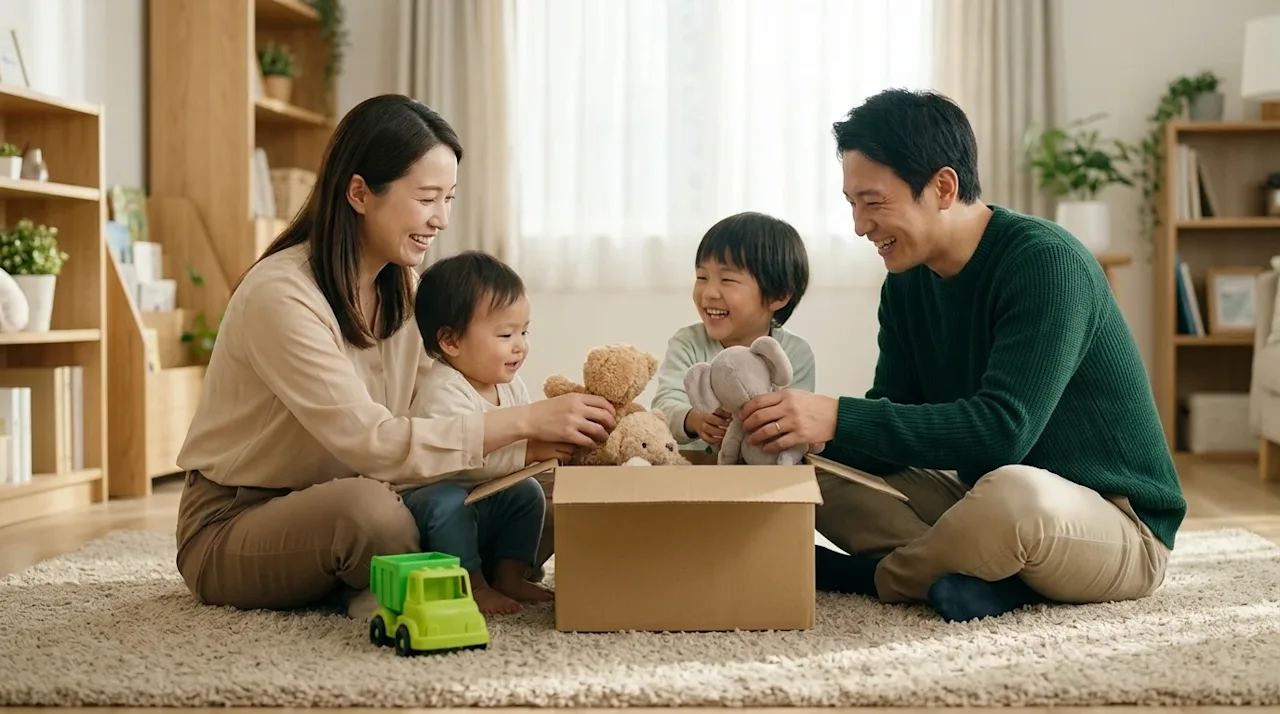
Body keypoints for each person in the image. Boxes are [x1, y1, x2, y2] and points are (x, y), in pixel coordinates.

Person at [737, 88, 1187, 623]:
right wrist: (800, 429)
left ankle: (871, 577)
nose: (860, 225)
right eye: (852, 204)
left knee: (1013, 495)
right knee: (811, 466)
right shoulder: (906, 284)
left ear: (943, 187)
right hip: (982, 494)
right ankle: (980, 577)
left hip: (1117, 525)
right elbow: (892, 425)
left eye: (874, 202)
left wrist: (835, 414)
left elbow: (1003, 430)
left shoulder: (1046, 263)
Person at [172, 94, 616, 619]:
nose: (442, 219)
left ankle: (393, 576)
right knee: (372, 518)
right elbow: (374, 443)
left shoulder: (405, 287)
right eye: (427, 198)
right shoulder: (283, 296)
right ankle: (378, 575)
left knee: (551, 489)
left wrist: (538, 446)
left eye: (449, 199)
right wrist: (522, 420)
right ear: (359, 192)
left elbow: (434, 427)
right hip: (239, 518)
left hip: (386, 486)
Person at [401, 250, 561, 615]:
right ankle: (471, 584)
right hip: (435, 498)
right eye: (505, 334)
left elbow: (520, 448)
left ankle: (511, 574)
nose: (520, 344)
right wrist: (530, 450)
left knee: (528, 493)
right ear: (451, 342)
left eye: (524, 331)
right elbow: (462, 463)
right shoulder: (443, 390)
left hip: (485, 493)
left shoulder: (511, 385)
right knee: (449, 504)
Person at [651, 211, 817, 453]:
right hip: (694, 470)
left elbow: (795, 419)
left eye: (727, 279)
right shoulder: (687, 343)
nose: (708, 292)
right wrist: (694, 420)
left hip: (762, 472)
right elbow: (664, 405)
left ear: (778, 295)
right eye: (702, 277)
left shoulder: (795, 353)